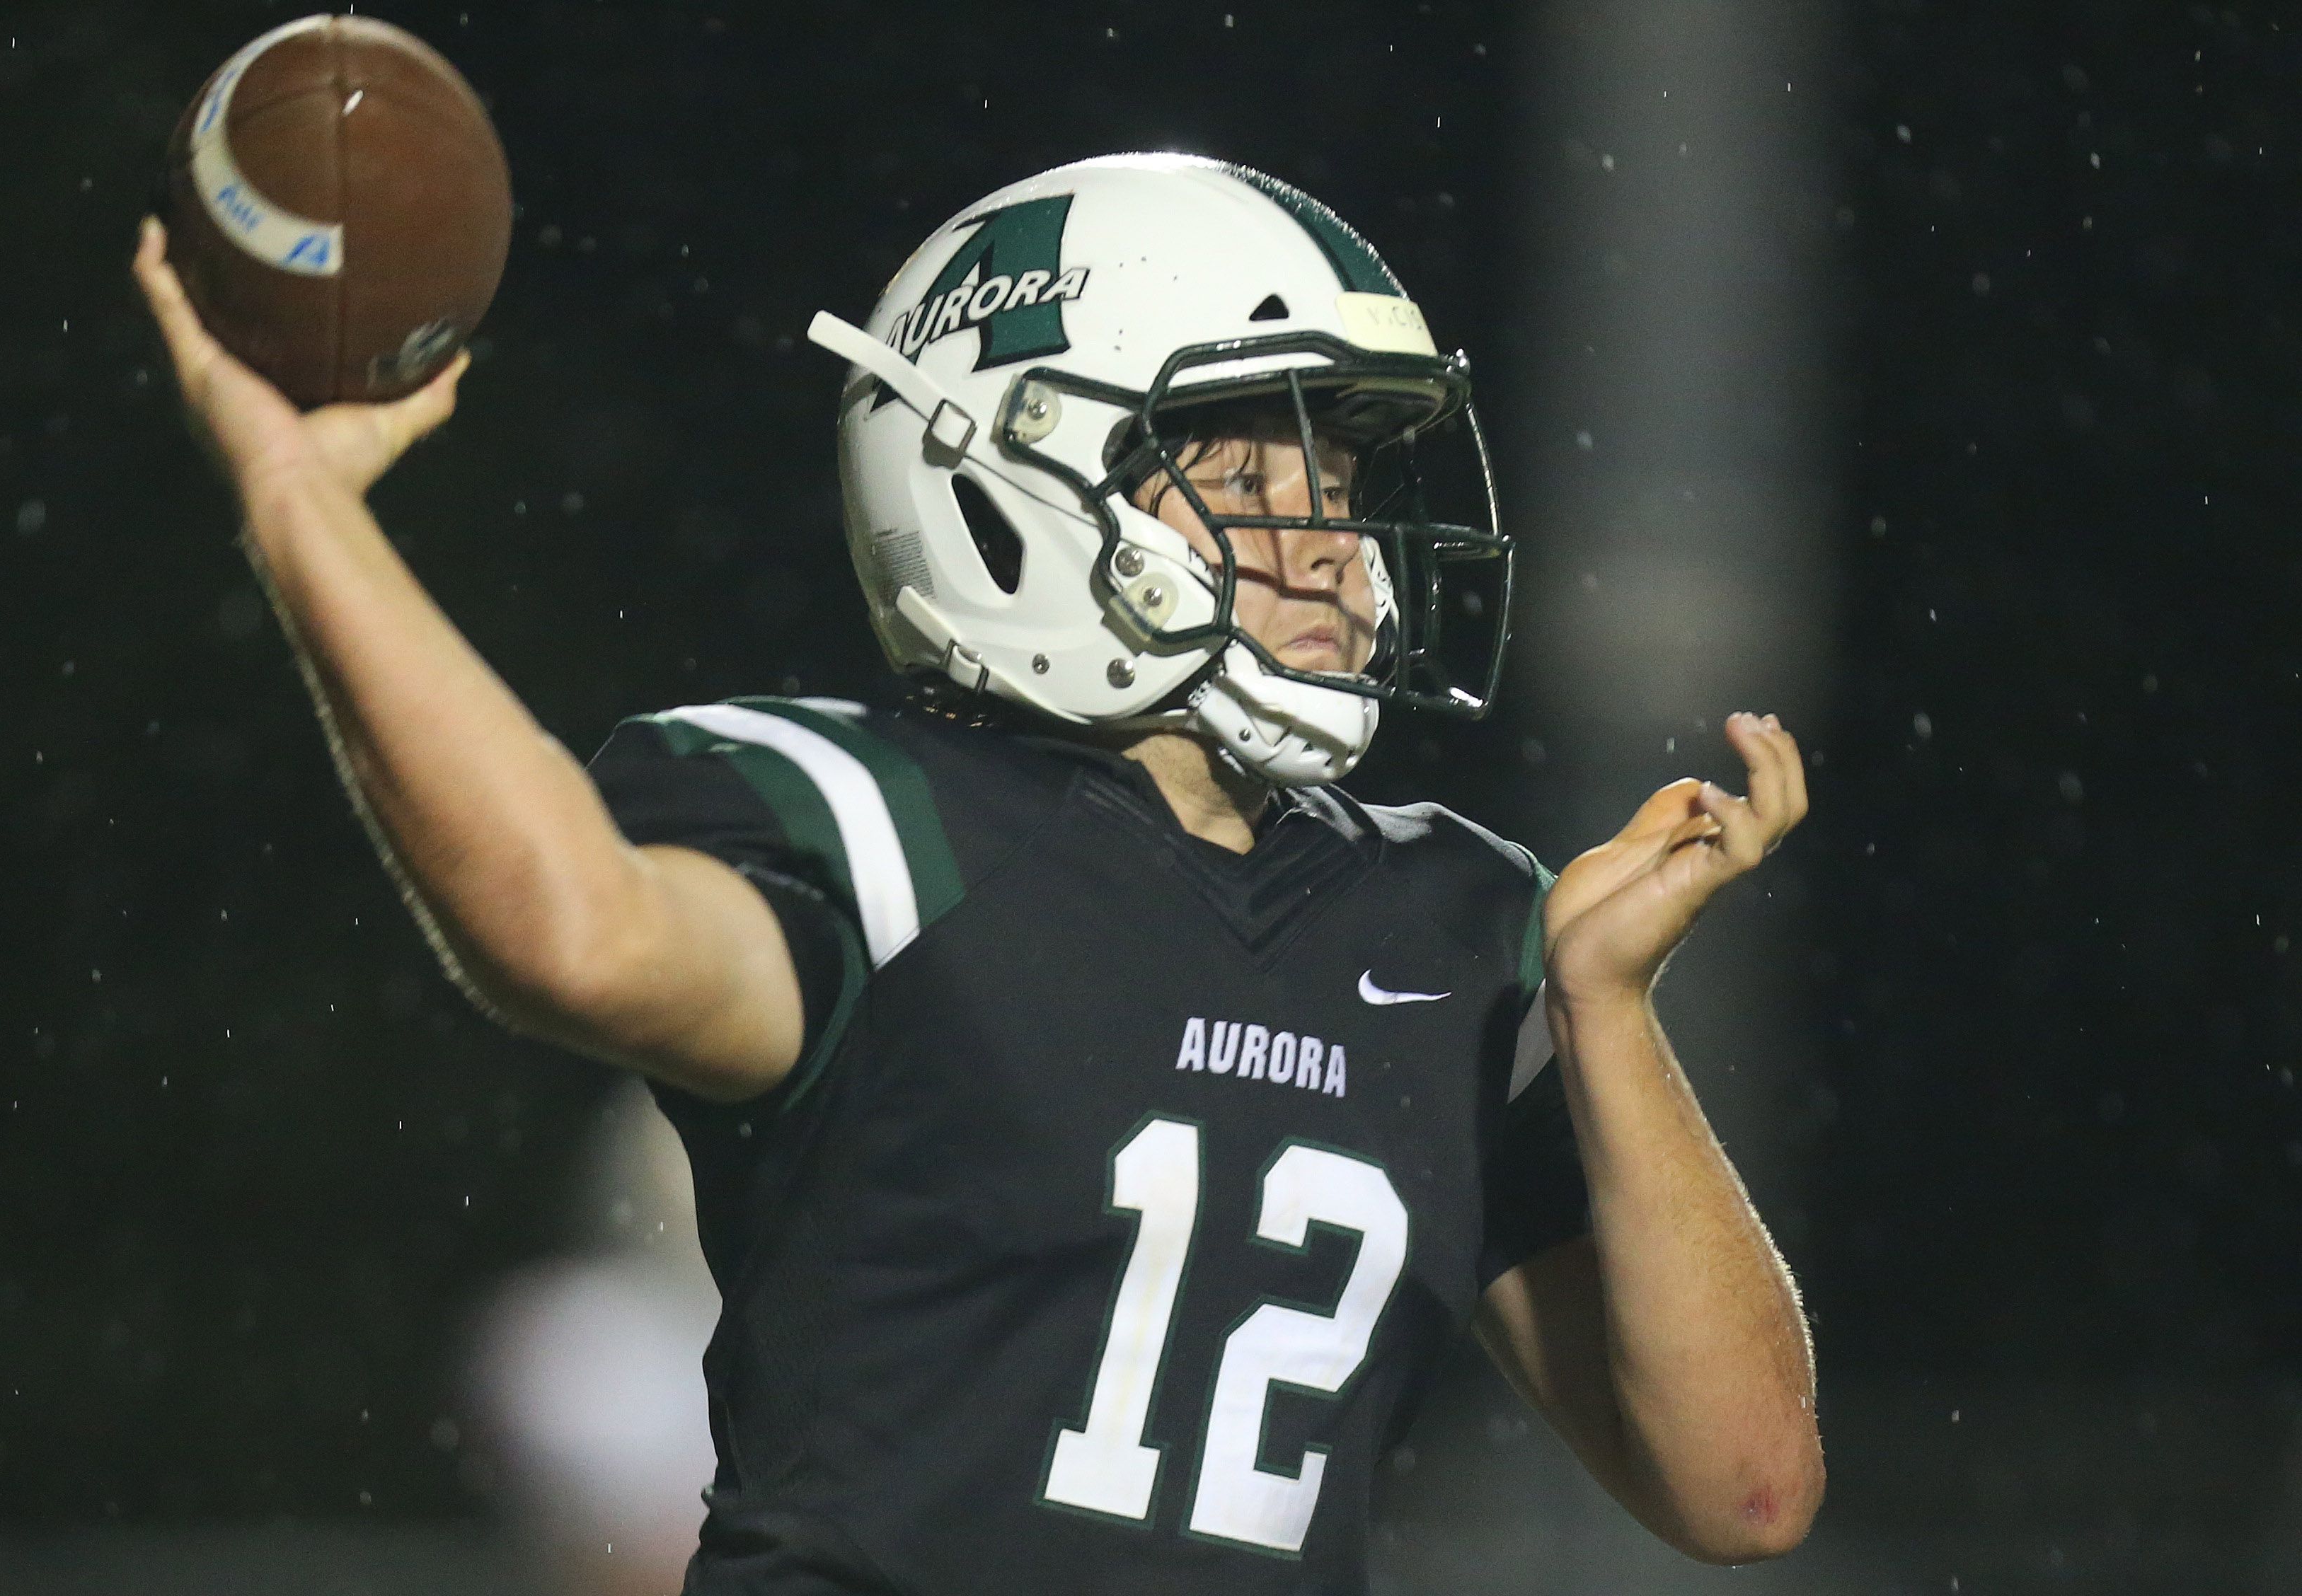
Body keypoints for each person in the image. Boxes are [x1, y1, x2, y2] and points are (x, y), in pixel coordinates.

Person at [134, 152, 1822, 1594]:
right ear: (1006, 476)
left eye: (1342, 478)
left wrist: (1609, 1012)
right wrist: (301, 503)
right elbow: (563, 930)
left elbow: (1745, 1490)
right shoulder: (883, 831)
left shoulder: (1450, 925)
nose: (1330, 543)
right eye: (1244, 470)